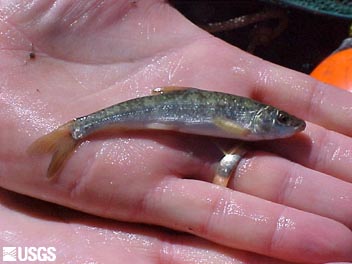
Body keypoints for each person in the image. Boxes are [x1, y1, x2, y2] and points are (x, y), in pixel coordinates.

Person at [0, 0, 351, 263]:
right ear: (260, 118)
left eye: (284, 122)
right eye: (281, 121)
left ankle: (77, 131)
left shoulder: (251, 121)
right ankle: (77, 130)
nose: (288, 127)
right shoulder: (247, 122)